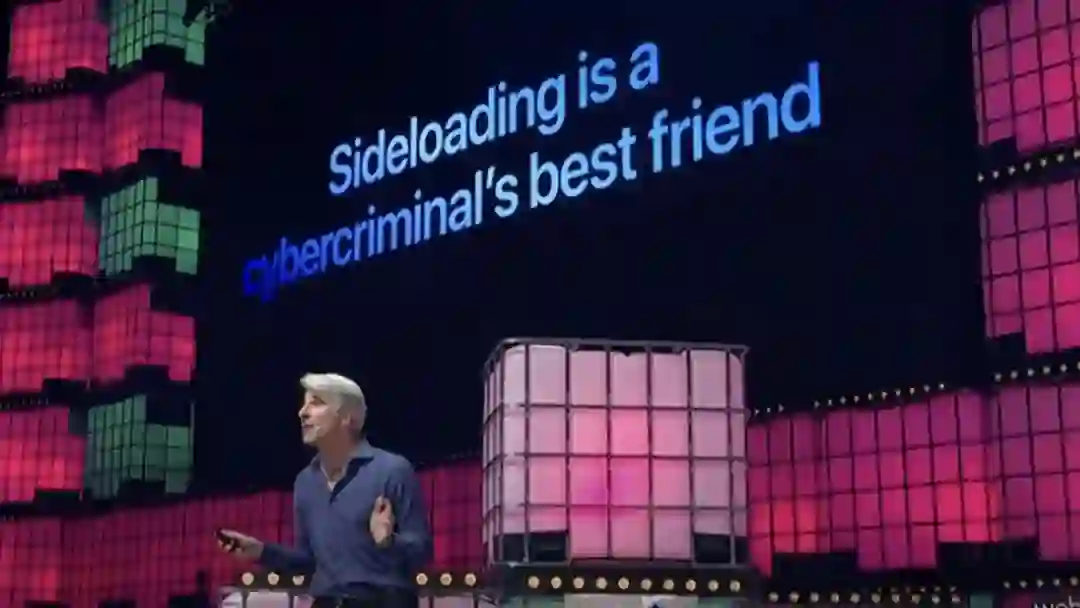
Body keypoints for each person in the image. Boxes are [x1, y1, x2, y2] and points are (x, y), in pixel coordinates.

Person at [217, 373, 432, 608]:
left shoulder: (392, 470)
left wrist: (388, 541)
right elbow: (308, 562)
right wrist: (260, 551)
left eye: (316, 403)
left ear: (348, 417)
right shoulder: (306, 482)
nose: (303, 412)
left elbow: (422, 552)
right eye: (303, 404)